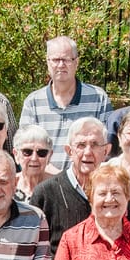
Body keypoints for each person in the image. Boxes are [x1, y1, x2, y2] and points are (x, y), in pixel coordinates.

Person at [20, 36, 110, 170]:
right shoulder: (33, 102)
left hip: (88, 181)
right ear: (47, 62)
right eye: (56, 60)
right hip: (45, 181)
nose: (61, 65)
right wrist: (57, 179)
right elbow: (25, 150)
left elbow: (105, 148)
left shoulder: (98, 98)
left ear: (76, 62)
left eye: (67, 59)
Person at [30, 118, 110, 252]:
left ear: (106, 151)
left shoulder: (117, 193)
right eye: (81, 145)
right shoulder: (46, 192)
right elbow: (32, 246)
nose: (88, 152)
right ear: (69, 151)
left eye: (95, 144)